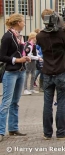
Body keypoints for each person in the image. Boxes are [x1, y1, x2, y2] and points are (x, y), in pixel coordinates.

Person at [36, 9, 65, 140]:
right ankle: (61, 132)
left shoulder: (39, 36)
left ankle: (47, 133)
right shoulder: (60, 34)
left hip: (47, 72)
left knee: (47, 103)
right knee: (61, 103)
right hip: (61, 71)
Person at [0, 13, 31, 142]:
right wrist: (17, 60)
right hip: (11, 72)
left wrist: (26, 56)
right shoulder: (7, 37)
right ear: (18, 23)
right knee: (6, 102)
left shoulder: (20, 37)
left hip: (21, 71)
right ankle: (1, 131)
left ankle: (13, 128)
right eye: (23, 21)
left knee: (15, 102)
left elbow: (20, 52)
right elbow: (2, 56)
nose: (24, 23)